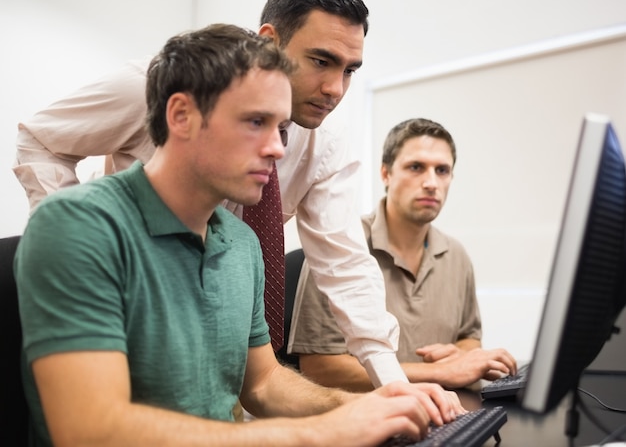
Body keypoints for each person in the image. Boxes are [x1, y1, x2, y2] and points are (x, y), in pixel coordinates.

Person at [15, 25, 465, 447]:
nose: (277, 148)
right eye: (255, 122)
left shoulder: (241, 242)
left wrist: (365, 405)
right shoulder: (75, 227)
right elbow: (91, 431)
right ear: (181, 116)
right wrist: (321, 432)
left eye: (281, 128)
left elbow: (263, 383)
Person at [14, 0, 404, 387]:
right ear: (269, 42)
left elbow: (345, 265)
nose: (335, 89)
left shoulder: (320, 146)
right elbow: (42, 139)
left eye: (350, 70)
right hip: (131, 295)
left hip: (227, 334)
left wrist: (392, 387)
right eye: (321, 61)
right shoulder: (161, 86)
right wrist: (74, 243)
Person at [289, 118, 518, 392]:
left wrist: (461, 355)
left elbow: (469, 338)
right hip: (365, 420)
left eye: (442, 170)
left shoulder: (457, 256)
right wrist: (439, 372)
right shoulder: (339, 246)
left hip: (442, 415)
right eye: (416, 167)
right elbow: (321, 370)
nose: (431, 183)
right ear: (386, 174)